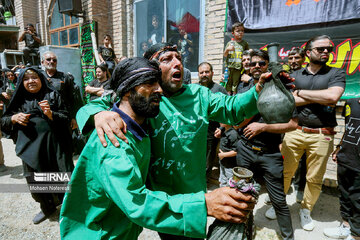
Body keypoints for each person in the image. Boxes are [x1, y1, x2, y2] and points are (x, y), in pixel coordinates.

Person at [76, 43, 271, 239]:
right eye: (167, 59)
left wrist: (258, 90)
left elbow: (232, 107)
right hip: (158, 198)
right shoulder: (144, 100)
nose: (178, 63)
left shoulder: (199, 96)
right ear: (151, 69)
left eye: (179, 58)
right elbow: (95, 105)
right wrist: (98, 115)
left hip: (192, 194)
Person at [60, 57, 216, 239]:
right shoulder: (114, 140)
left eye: (158, 82)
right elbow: (137, 203)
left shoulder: (141, 125)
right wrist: (205, 205)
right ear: (127, 91)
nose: (159, 90)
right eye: (150, 83)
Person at [281, 35, 346, 231]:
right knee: (285, 172)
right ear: (308, 52)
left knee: (314, 178)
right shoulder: (296, 75)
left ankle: (305, 210)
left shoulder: (336, 73)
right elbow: (288, 100)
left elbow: (333, 96)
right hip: (295, 130)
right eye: (320, 49)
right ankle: (279, 204)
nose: (326, 51)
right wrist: (320, 97)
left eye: (329, 49)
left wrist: (300, 93)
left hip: (322, 134)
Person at [235, 49, 297, 240]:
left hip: (270, 153)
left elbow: (293, 124)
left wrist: (263, 127)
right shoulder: (243, 90)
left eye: (261, 63)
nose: (256, 67)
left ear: (267, 67)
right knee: (243, 196)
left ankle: (288, 237)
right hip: (245, 149)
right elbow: (235, 124)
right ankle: (245, 231)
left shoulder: (282, 89)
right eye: (253, 63)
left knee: (278, 200)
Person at [1, 68, 73, 224]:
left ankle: (67, 209)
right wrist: (13, 117)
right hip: (31, 148)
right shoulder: (18, 100)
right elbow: (3, 121)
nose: (31, 81)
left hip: (55, 146)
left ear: (41, 78)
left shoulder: (53, 95)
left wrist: (51, 114)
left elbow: (67, 117)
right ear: (21, 82)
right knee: (36, 180)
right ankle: (47, 208)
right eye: (26, 79)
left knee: (61, 177)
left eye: (34, 77)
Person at [323, 98, 360, 240]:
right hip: (346, 157)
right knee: (344, 195)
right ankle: (345, 226)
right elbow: (348, 128)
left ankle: (356, 234)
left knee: (357, 199)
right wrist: (339, 148)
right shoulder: (351, 103)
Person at [197, 62, 227, 178]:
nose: (204, 74)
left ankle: (205, 183)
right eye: (201, 72)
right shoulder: (195, 89)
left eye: (207, 72)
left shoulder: (219, 90)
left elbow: (226, 111)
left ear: (212, 73)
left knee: (207, 159)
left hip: (211, 132)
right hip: (196, 131)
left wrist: (221, 127)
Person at [41, 51, 82, 131]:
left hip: (62, 116)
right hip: (44, 116)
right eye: (48, 59)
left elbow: (74, 99)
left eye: (54, 60)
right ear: (42, 62)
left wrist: (74, 117)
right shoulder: (39, 77)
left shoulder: (65, 77)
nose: (51, 62)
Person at [287, 47, 307, 203]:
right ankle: (284, 187)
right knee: (284, 156)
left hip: (302, 121)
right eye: (290, 58)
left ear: (303, 59)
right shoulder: (285, 76)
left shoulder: (308, 76)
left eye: (296, 58)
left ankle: (300, 187)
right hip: (284, 121)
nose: (293, 61)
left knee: (302, 161)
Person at [223, 22, 249, 95]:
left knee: (236, 82)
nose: (240, 32)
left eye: (242, 30)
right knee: (228, 82)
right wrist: (227, 49)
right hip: (229, 67)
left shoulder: (245, 43)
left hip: (238, 67)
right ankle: (228, 97)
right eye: (238, 31)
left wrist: (250, 52)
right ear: (233, 33)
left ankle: (234, 96)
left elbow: (247, 55)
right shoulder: (229, 43)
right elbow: (225, 55)